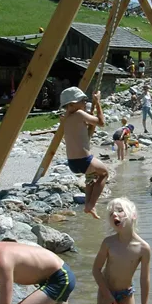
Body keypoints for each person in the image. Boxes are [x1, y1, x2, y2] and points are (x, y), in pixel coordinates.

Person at [92, 198, 151, 304]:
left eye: (120, 211)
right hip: (106, 292)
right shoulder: (108, 243)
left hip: (126, 294)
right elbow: (96, 270)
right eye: (111, 213)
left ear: (133, 215)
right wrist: (107, 295)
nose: (114, 215)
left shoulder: (143, 248)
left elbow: (144, 279)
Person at [61, 87, 108, 219]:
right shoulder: (80, 115)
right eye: (82, 101)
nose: (85, 103)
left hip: (73, 163)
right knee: (104, 174)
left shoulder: (67, 118)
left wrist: (90, 118)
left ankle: (88, 205)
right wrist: (98, 102)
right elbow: (101, 123)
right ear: (71, 104)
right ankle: (91, 204)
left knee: (91, 178)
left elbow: (87, 136)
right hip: (84, 160)